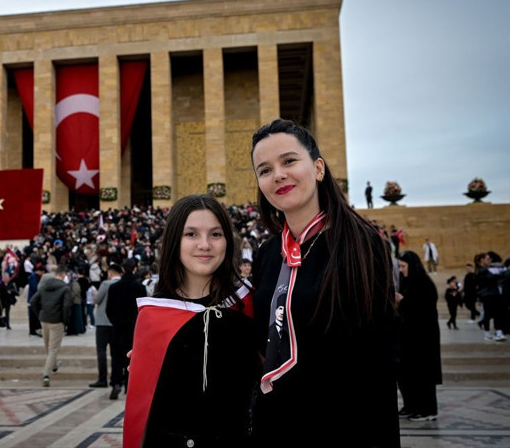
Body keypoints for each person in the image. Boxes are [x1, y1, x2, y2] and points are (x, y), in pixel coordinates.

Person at [249, 119, 399, 446]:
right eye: (265, 170)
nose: (278, 175)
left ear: (318, 168)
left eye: (289, 161)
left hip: (341, 426)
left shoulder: (362, 244)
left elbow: (378, 363)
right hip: (274, 425)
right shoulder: (268, 254)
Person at [123, 194, 257, 447]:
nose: (205, 245)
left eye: (216, 234)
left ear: (228, 240)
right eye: (191, 234)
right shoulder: (153, 315)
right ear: (175, 241)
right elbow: (144, 411)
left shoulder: (249, 303)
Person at [395, 250, 442, 421]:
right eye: (399, 266)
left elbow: (422, 311)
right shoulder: (408, 283)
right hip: (408, 338)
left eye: (403, 266)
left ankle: (427, 410)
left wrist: (402, 301)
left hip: (423, 339)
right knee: (408, 374)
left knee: (423, 375)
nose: (401, 270)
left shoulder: (424, 284)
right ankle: (412, 406)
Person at [105, 258, 146, 400]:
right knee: (132, 357)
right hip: (134, 328)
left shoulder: (114, 287)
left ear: (122, 270)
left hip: (117, 327)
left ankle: (116, 383)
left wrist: (115, 322)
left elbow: (108, 309)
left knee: (116, 357)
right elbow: (144, 311)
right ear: (135, 268)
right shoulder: (139, 287)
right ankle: (129, 386)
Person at [30, 263, 72, 388]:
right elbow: (66, 306)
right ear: (63, 275)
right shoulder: (65, 288)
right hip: (57, 321)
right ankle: (46, 375)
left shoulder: (44, 285)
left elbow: (33, 301)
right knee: (53, 349)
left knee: (48, 347)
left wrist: (40, 314)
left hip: (44, 319)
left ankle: (53, 366)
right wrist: (65, 321)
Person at [88, 263, 122, 389]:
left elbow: (96, 300)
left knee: (101, 351)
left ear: (111, 273)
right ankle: (116, 378)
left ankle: (102, 378)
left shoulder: (106, 284)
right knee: (115, 353)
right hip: (116, 323)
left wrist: (95, 295)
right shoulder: (121, 285)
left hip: (103, 321)